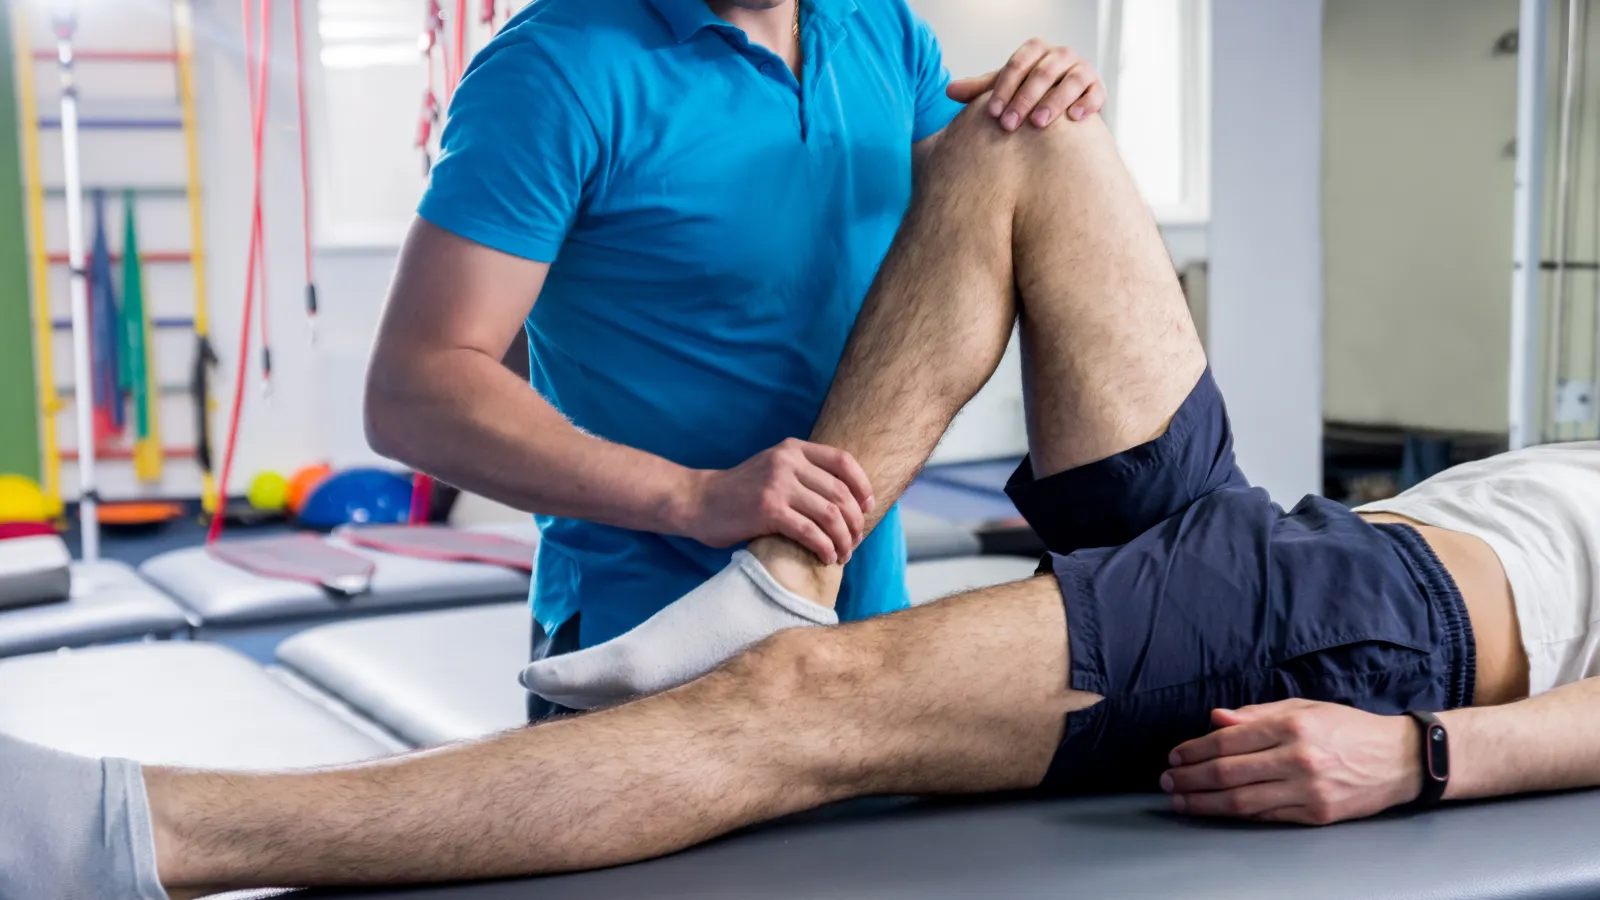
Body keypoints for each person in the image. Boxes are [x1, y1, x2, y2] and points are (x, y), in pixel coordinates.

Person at [10, 90, 1600, 900]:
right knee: (1017, 141)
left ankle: (138, 833)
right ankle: (783, 566)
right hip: (1307, 545)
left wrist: (1425, 756)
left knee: (803, 703)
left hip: (1388, 637)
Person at [360, 0, 1106, 721]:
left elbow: (974, 228)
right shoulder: (551, 66)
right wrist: (695, 495)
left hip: (864, 629)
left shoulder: (881, 25)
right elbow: (413, 390)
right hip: (646, 642)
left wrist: (1045, 105)